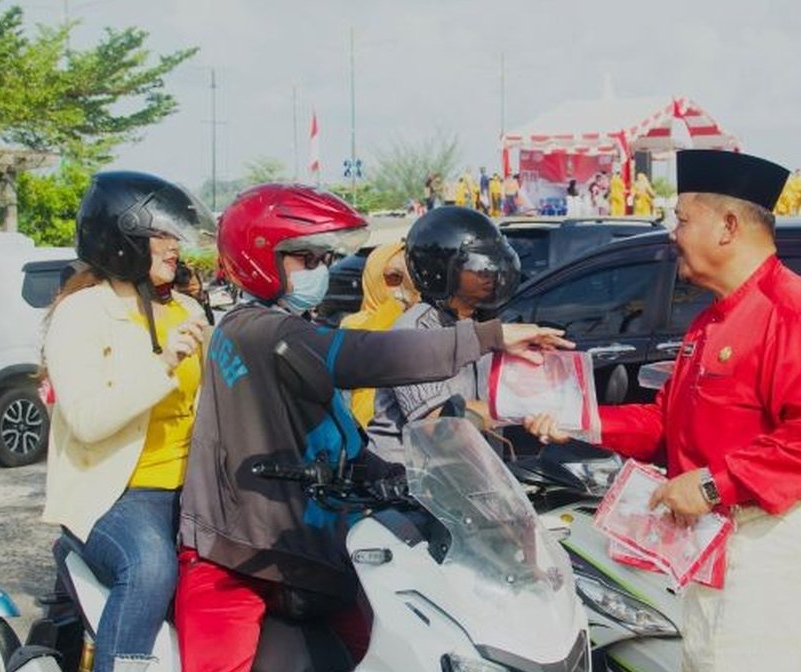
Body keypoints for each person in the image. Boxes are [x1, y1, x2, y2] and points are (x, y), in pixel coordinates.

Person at [175, 184, 567, 672]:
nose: (319, 270)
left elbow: (337, 428)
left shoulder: (287, 330)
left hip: (306, 548)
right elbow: (362, 356)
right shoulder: (256, 330)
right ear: (258, 258)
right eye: (304, 258)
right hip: (235, 554)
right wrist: (488, 337)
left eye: (322, 258)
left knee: (388, 651)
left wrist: (396, 475)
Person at [528, 150, 801, 671]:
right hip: (717, 549)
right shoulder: (710, 322)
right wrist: (579, 420)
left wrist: (713, 485)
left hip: (774, 550)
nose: (673, 232)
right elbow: (667, 423)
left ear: (728, 227)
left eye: (684, 219)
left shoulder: (794, 314)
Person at [42, 171, 212, 672]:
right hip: (116, 496)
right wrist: (161, 365)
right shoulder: (82, 314)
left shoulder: (187, 308)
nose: (175, 246)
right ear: (123, 238)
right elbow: (88, 420)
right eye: (162, 234)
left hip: (192, 490)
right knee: (149, 569)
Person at [366, 205, 522, 462]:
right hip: (404, 483)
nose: (491, 277)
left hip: (469, 473)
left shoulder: (487, 325)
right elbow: (440, 421)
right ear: (440, 269)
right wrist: (526, 412)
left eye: (495, 268)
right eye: (481, 269)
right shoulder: (413, 332)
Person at [338, 240, 420, 426]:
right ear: (373, 278)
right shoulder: (353, 325)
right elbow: (371, 344)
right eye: (393, 277)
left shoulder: (425, 321)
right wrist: (398, 305)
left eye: (411, 277)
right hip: (368, 437)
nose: (405, 286)